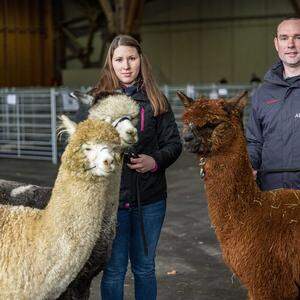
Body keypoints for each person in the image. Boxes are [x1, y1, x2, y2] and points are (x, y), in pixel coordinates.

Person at [92, 35, 182, 299]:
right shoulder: (98, 102)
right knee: (114, 270)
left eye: (131, 58)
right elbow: (83, 147)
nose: (126, 65)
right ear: (111, 62)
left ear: (141, 60)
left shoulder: (156, 101)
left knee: (144, 268)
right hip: (112, 201)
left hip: (150, 200)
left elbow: (173, 144)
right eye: (119, 59)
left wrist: (155, 161)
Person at [246, 18, 300, 191]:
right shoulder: (262, 94)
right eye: (284, 38)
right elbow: (254, 141)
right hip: (271, 194)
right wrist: (249, 166)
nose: (290, 44)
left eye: (298, 37)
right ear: (276, 44)